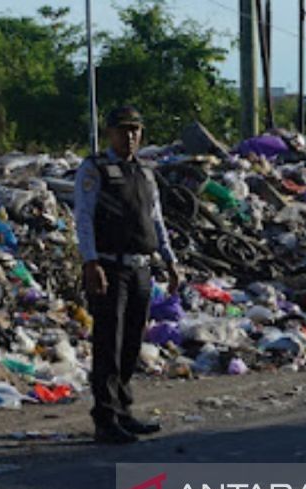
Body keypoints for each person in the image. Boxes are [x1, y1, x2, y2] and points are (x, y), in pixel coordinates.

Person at [74, 105, 181, 444]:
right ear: (110, 133)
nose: (131, 135)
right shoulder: (96, 169)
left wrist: (170, 259)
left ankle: (124, 410)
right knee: (109, 342)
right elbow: (84, 218)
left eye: (136, 129)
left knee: (132, 342)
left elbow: (157, 220)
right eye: (123, 129)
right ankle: (105, 418)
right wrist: (91, 263)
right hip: (109, 266)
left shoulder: (145, 173)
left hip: (141, 267)